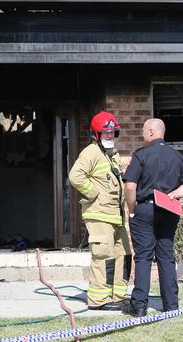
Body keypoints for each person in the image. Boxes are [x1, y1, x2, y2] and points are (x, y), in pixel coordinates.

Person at [121, 118, 183, 317]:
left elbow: (129, 186)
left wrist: (131, 209)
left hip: (144, 209)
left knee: (144, 257)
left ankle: (139, 306)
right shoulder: (177, 157)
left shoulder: (141, 155)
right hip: (169, 210)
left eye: (144, 130)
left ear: (152, 131)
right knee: (166, 257)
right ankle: (171, 305)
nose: (142, 134)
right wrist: (173, 195)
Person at [69, 111, 132, 311]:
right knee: (103, 255)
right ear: (96, 135)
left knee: (124, 253)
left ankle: (118, 296)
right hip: (99, 214)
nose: (109, 137)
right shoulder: (91, 152)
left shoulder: (112, 155)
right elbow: (75, 176)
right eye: (105, 133)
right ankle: (98, 300)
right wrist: (94, 193)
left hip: (115, 216)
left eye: (112, 133)